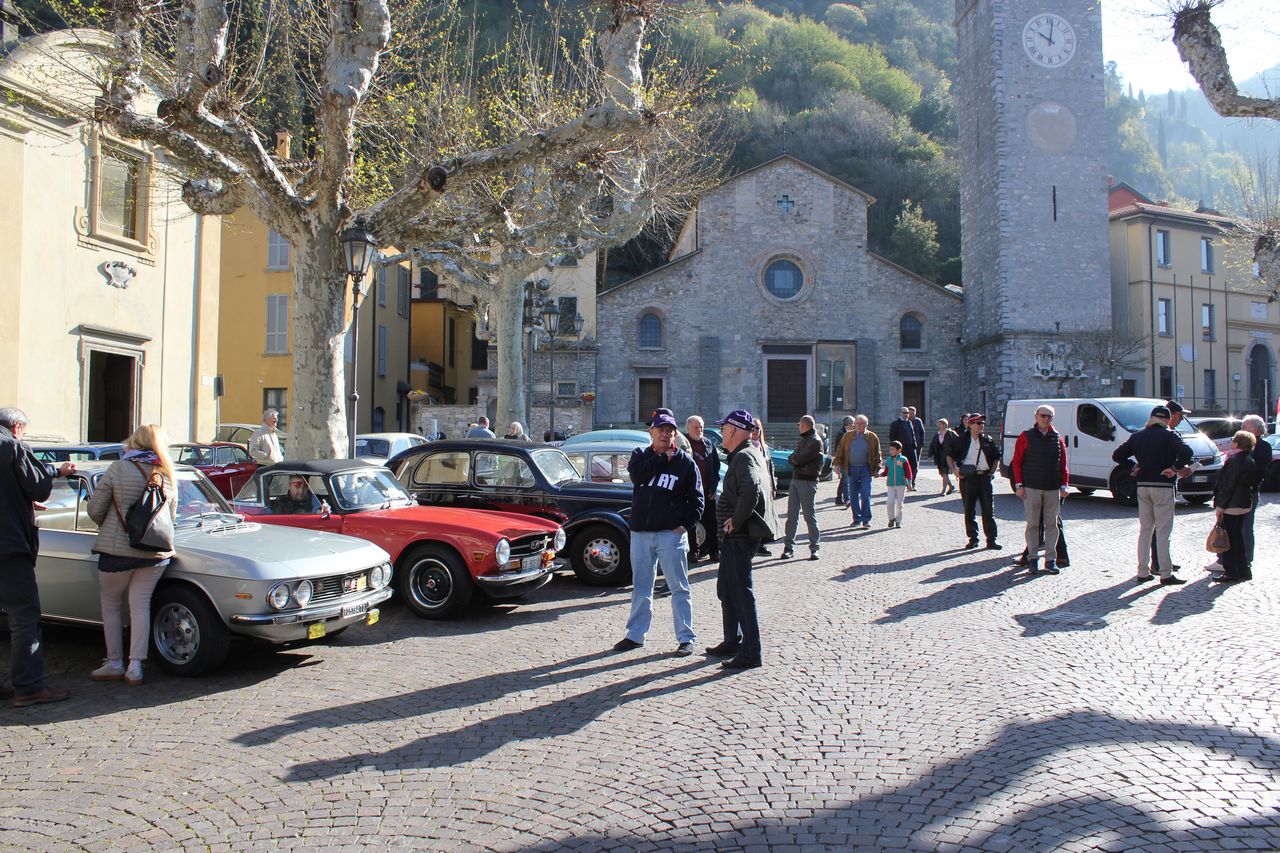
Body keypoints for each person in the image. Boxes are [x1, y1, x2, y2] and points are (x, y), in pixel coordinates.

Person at [86, 425, 179, 687]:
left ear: (135, 441)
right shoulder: (167, 472)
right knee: (141, 606)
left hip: (117, 550)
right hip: (155, 552)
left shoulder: (118, 467)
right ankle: (135, 667)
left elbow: (95, 510)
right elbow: (170, 518)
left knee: (111, 605)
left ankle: (114, 662)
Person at [0, 407, 74, 707]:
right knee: (24, 616)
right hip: (9, 545)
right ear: (17, 427)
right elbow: (39, 488)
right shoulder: (13, 447)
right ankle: (28, 687)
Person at [613, 413, 704, 656]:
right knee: (641, 586)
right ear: (651, 432)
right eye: (660, 430)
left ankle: (686, 637)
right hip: (641, 533)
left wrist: (684, 525)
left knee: (679, 587)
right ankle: (635, 635)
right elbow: (638, 476)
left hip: (670, 535)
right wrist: (663, 458)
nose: (665, 434)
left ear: (675, 434)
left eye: (670, 431)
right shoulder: (640, 456)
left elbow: (697, 500)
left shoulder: (685, 463)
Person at [707, 409, 777, 671]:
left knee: (740, 593)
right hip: (733, 537)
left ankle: (751, 652)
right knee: (727, 590)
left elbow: (751, 490)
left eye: (724, 429)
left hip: (739, 536)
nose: (721, 433)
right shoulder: (745, 453)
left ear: (734, 430)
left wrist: (736, 521)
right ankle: (732, 641)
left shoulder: (744, 455)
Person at [1111, 405, 1193, 585]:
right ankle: (1165, 573)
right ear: (1167, 420)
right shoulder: (1170, 435)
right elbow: (1187, 452)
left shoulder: (1138, 436)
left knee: (1145, 530)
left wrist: (1134, 466)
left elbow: (1117, 455)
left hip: (1142, 486)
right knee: (1163, 531)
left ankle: (1142, 571)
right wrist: (1175, 468)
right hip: (1163, 486)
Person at [1011, 404, 1071, 575]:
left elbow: (1063, 464)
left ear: (1052, 418)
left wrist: (1065, 484)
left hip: (1052, 488)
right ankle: (1032, 559)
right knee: (1033, 525)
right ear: (1036, 416)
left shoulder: (1057, 437)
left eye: (1049, 416)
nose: (1045, 419)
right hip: (1032, 487)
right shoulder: (1025, 436)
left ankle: (1050, 560)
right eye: (1043, 415)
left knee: (1052, 525)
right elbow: (1017, 462)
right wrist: (1019, 485)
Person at [948, 413, 1001, 549]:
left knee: (988, 509)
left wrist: (992, 472)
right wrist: (955, 472)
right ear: (970, 424)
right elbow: (950, 456)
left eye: (983, 423)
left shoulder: (987, 439)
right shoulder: (961, 440)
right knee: (969, 509)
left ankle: (991, 539)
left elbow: (996, 456)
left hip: (984, 478)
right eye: (978, 423)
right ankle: (973, 538)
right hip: (968, 478)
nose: (981, 425)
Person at [1211, 430, 1257, 584]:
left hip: (1232, 504)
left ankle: (1231, 572)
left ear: (1237, 443)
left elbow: (1228, 484)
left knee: (1230, 540)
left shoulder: (1235, 460)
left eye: (1233, 440)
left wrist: (1220, 506)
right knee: (1238, 537)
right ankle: (1244, 571)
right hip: (1243, 503)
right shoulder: (1249, 459)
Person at [779, 415, 823, 560]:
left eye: (799, 425)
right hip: (797, 479)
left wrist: (795, 459)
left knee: (809, 515)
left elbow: (798, 459)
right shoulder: (804, 439)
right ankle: (788, 547)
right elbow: (792, 458)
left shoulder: (815, 441)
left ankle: (814, 547)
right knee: (791, 515)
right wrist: (795, 459)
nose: (799, 428)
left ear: (804, 425)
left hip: (808, 481)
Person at [832, 414, 882, 529]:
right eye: (857, 423)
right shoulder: (847, 436)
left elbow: (878, 454)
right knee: (853, 495)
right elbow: (840, 451)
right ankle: (856, 519)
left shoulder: (872, 437)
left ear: (866, 425)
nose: (859, 426)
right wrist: (837, 464)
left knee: (865, 494)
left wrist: (877, 468)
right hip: (851, 469)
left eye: (861, 424)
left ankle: (866, 520)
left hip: (866, 469)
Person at [684, 416, 721, 563]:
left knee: (712, 522)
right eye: (696, 427)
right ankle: (693, 552)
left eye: (701, 427)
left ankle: (714, 551)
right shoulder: (683, 444)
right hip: (690, 491)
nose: (699, 430)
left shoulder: (708, 443)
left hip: (707, 491)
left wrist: (714, 486)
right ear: (688, 428)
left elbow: (716, 466)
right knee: (691, 523)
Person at [1240, 414, 1270, 577]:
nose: (1241, 429)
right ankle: (1226, 558)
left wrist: (1247, 483)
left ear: (1256, 429)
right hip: (1235, 491)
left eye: (1245, 427)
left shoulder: (1262, 446)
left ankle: (1246, 559)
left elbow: (1260, 471)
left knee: (1246, 527)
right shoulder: (1241, 445)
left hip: (1249, 491)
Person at [751, 418, 776, 556]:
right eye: (753, 427)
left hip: (766, 486)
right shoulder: (748, 447)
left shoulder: (764, 447)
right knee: (756, 515)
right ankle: (754, 544)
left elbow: (770, 467)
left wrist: (773, 486)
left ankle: (761, 544)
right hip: (755, 486)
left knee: (765, 515)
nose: (755, 431)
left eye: (758, 428)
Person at [881, 440, 912, 529]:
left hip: (901, 484)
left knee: (899, 504)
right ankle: (891, 518)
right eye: (890, 449)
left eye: (893, 449)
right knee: (890, 502)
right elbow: (886, 472)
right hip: (890, 484)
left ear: (899, 450)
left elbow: (908, 472)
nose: (890, 451)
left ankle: (898, 521)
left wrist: (909, 483)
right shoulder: (888, 460)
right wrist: (879, 475)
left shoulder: (903, 459)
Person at [888, 407, 920, 492]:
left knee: (914, 466)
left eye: (907, 413)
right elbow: (892, 437)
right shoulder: (895, 423)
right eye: (904, 413)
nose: (906, 414)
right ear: (900, 413)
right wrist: (895, 449)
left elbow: (913, 434)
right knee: (901, 468)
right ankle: (902, 485)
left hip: (911, 449)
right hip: (901, 450)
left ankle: (911, 484)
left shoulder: (909, 422)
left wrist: (915, 444)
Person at [929, 418, 957, 495]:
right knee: (942, 473)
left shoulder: (951, 433)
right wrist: (930, 455)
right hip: (939, 457)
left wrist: (955, 454)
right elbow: (932, 445)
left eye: (940, 424)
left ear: (945, 425)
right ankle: (951, 486)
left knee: (945, 473)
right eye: (938, 424)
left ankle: (943, 490)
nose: (938, 426)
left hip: (948, 456)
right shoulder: (937, 435)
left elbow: (958, 443)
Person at [832, 416, 855, 506]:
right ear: (848, 424)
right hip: (843, 460)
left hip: (848, 459)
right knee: (846, 480)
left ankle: (838, 498)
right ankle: (847, 499)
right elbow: (838, 448)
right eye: (852, 424)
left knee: (843, 480)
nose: (853, 425)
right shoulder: (841, 434)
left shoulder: (849, 432)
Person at [908, 406, 926, 489]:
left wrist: (921, 444)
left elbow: (922, 432)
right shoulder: (905, 421)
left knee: (915, 465)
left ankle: (912, 482)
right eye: (910, 413)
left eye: (913, 413)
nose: (911, 415)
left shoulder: (918, 421)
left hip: (917, 446)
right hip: (907, 446)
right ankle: (907, 482)